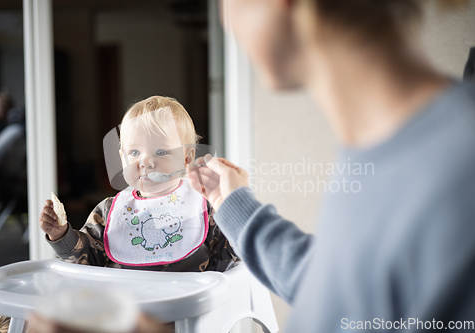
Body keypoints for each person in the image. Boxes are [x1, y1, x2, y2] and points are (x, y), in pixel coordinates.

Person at [29, 0, 475, 332]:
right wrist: (235, 204)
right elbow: (344, 294)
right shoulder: (388, 154)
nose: (226, 16)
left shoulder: (447, 174)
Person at [39, 96, 238, 273]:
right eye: (134, 153)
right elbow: (85, 260)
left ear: (187, 159)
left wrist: (235, 209)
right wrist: (61, 234)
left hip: (186, 311)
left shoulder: (203, 204)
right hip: (126, 308)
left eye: (160, 152)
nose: (145, 162)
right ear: (122, 159)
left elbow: (231, 255)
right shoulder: (109, 211)